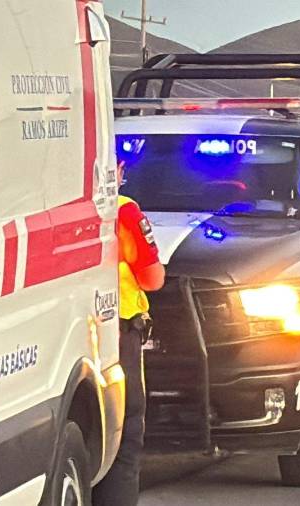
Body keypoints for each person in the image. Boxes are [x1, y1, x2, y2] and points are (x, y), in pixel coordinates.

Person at [94, 162, 166, 506]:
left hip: (75, 328)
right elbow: (153, 278)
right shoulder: (123, 211)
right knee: (125, 432)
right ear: (117, 169)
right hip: (119, 332)